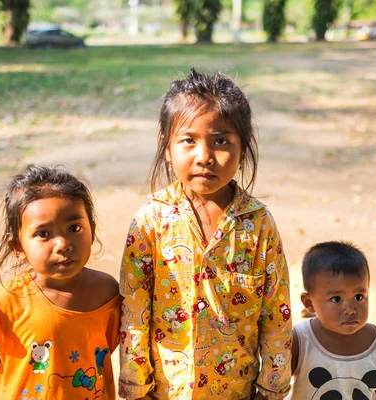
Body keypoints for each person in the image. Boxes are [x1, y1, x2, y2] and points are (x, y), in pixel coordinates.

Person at [118, 69, 292, 400]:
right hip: (166, 393)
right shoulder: (150, 222)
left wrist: (272, 386)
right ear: (167, 147)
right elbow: (134, 313)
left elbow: (276, 312)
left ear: (243, 149)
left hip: (237, 392)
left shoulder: (259, 224)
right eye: (188, 140)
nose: (204, 156)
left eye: (221, 141)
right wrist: (136, 387)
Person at [0, 164, 121, 399]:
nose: (63, 243)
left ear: (92, 230)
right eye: (43, 234)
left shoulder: (108, 292)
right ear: (18, 247)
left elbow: (105, 348)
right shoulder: (3, 301)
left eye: (74, 228)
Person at [290, 241, 376, 399]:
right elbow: (276, 386)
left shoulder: (375, 342)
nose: (351, 309)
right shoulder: (302, 340)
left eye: (358, 297)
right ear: (309, 303)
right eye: (336, 299)